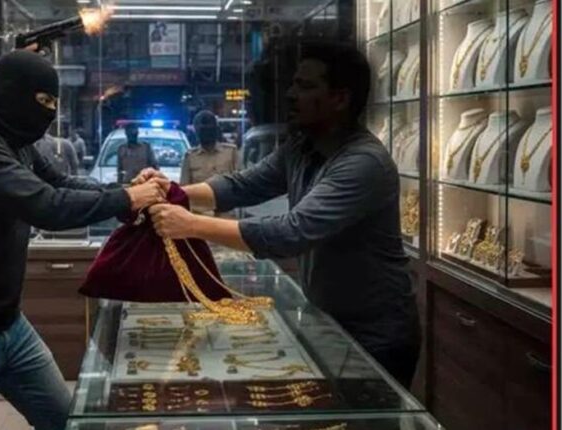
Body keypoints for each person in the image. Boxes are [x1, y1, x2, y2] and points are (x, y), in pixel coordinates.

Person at [0, 50, 167, 430]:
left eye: (54, 104)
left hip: (9, 326)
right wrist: (128, 199)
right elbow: (46, 206)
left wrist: (125, 190)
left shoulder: (16, 140)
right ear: (12, 93)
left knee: (68, 421)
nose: (49, 113)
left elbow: (62, 183)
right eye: (43, 101)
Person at [143, 42, 421, 387]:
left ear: (339, 98)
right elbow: (243, 185)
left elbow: (291, 233)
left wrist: (190, 225)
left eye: (305, 86)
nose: (290, 94)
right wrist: (173, 191)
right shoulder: (302, 148)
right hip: (330, 322)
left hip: (376, 336)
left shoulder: (363, 163)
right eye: (293, 84)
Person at [180, 110, 241, 186]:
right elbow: (185, 188)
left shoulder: (231, 153)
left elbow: (240, 184)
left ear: (216, 130)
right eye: (202, 130)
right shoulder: (190, 157)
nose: (206, 133)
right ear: (196, 132)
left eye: (209, 129)